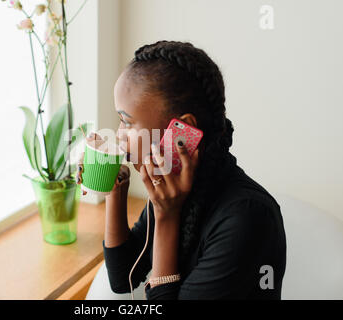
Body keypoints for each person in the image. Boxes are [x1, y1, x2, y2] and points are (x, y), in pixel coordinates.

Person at [76, 40, 286, 300]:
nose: (119, 135)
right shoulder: (172, 185)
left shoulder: (248, 219)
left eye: (126, 122)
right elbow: (123, 278)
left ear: (181, 131)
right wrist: (113, 186)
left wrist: (167, 217)